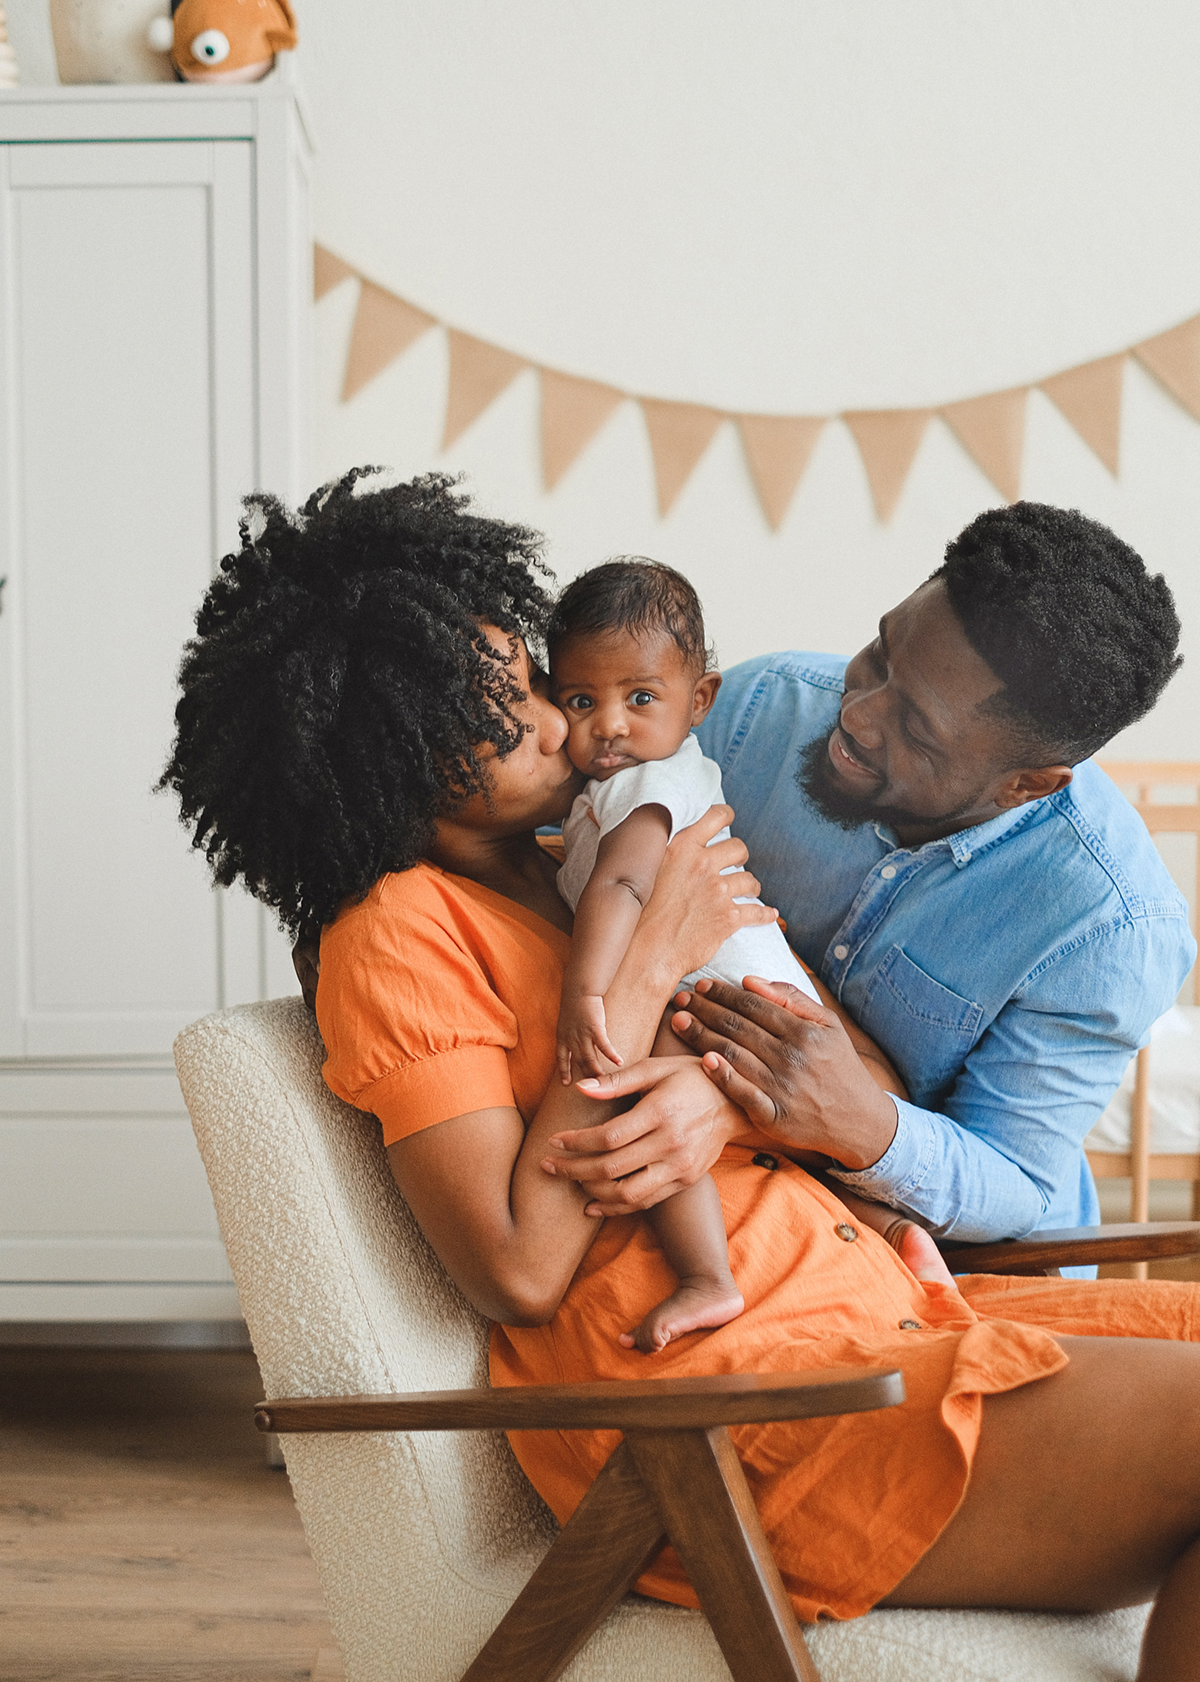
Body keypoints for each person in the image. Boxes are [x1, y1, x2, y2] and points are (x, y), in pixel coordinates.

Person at [163, 470, 1200, 1677]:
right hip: (734, 1408)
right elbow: (515, 1269)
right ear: (398, 770)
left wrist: (736, 1084)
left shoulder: (570, 864)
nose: (572, 725)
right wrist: (650, 964)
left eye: (542, 688)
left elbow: (823, 1049)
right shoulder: (400, 930)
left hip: (881, 1309)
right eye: (516, 722)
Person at [573, 503, 1192, 1256]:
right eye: (879, 655)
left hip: (964, 1265)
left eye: (917, 731)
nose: (857, 717)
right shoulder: (756, 713)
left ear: (1027, 785)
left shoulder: (1112, 926)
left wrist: (858, 1120)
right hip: (761, 1214)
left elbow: (1017, 1182)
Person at [547, 556, 950, 1353]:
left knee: (649, 1103)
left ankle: (706, 1278)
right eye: (580, 701)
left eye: (639, 698)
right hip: (758, 985)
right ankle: (896, 1230)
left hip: (717, 990)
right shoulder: (663, 773)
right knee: (780, 1131)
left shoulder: (640, 783)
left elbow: (624, 888)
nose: (610, 726)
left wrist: (585, 993)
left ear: (700, 700)